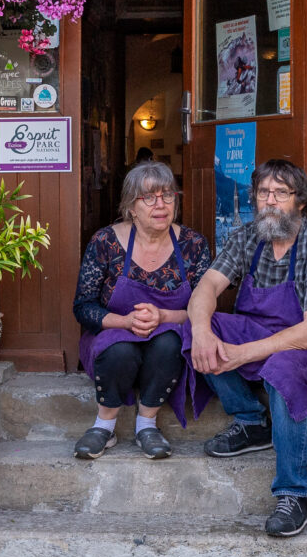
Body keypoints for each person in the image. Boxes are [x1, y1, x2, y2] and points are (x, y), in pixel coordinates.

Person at [188, 159, 307, 537]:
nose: (271, 201)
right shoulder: (248, 237)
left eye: (281, 193)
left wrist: (242, 354)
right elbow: (206, 289)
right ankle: (250, 421)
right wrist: (200, 331)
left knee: (282, 366)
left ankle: (295, 494)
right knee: (193, 328)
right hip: (261, 336)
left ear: (301, 201)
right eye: (263, 192)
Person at [72, 161, 212, 459]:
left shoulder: (193, 245)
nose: (160, 205)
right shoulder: (105, 242)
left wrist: (163, 317)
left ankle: (147, 424)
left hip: (168, 334)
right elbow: (83, 306)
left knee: (170, 342)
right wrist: (124, 321)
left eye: (168, 195)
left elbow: (204, 306)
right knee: (120, 349)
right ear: (131, 206)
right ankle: (103, 426)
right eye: (149, 197)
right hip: (115, 333)